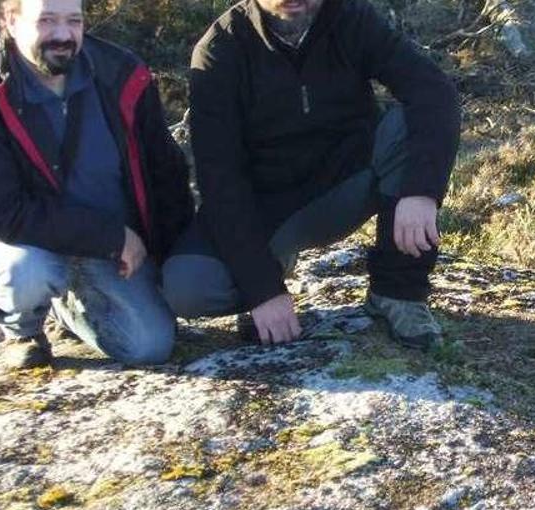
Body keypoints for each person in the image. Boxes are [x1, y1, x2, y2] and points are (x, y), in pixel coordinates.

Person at [162, 0, 460, 350]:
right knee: (187, 288)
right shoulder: (219, 50)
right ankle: (268, 279)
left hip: (349, 183)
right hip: (269, 211)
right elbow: (221, 182)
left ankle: (398, 294)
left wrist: (421, 190)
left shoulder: (352, 19)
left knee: (410, 125)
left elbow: (433, 90)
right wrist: (262, 289)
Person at [0, 0, 193, 367]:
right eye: (46, 21)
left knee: (150, 346)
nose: (62, 35)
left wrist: (168, 256)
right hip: (29, 242)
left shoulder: (121, 75)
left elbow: (165, 173)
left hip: (111, 250)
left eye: (72, 21)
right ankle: (22, 326)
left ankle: (67, 307)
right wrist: (111, 236)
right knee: (25, 271)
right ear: (10, 22)